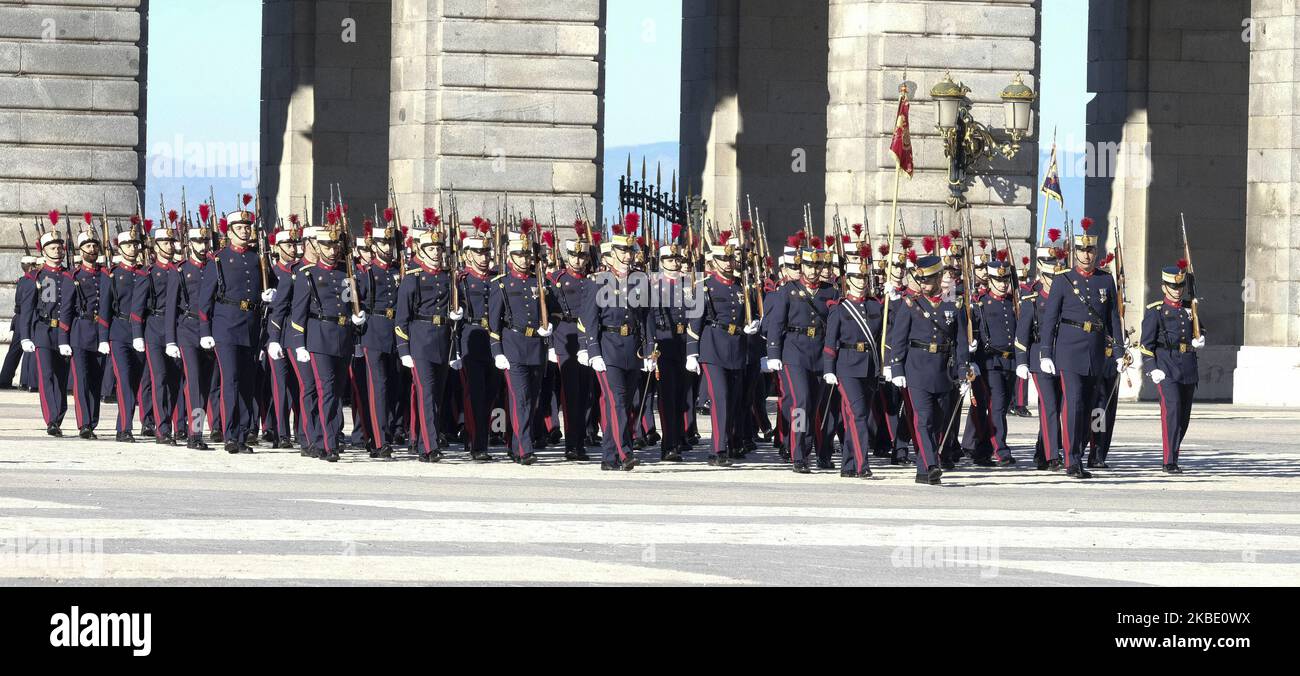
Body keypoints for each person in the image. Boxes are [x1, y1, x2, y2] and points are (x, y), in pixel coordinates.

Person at [1038, 217, 1122, 479]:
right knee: (1073, 403)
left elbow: (1113, 320)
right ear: (1075, 252)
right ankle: (1072, 461)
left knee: (1087, 407)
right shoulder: (1063, 280)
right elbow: (1050, 319)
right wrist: (1045, 352)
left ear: (1096, 252)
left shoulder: (1105, 281)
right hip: (1069, 351)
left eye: (1091, 250)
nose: (1087, 255)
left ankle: (1081, 453)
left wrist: (1119, 352)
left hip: (1095, 353)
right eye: (1082, 250)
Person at [885, 254, 973, 485]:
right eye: (920, 280)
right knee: (923, 419)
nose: (923, 285)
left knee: (939, 420)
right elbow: (899, 339)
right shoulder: (911, 304)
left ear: (937, 278)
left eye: (927, 280)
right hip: (917, 369)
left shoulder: (953, 305)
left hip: (943, 371)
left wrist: (964, 371)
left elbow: (960, 341)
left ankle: (923, 470)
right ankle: (932, 463)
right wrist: (897, 369)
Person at [288, 222, 367, 462]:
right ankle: (328, 442)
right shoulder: (307, 274)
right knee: (326, 391)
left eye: (335, 245)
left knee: (336, 390)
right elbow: (298, 312)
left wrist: (356, 318)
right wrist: (298, 343)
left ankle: (326, 440)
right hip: (318, 337)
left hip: (342, 337)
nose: (332, 250)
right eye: (327, 245)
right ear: (316, 246)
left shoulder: (346, 274)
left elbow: (349, 303)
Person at [197, 209, 273, 453]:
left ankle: (242, 434)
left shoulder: (257, 258)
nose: (245, 231)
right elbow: (204, 301)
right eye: (239, 228)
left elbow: (273, 287)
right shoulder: (218, 259)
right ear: (229, 232)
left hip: (250, 327)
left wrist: (270, 294)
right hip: (225, 326)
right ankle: (230, 434)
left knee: (247, 384)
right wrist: (205, 330)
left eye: (247, 227)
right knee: (230, 381)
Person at [582, 217, 653, 471]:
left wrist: (649, 349)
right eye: (622, 251)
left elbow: (646, 318)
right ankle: (625, 453)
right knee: (616, 402)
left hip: (632, 348)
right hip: (608, 348)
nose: (627, 255)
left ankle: (608, 456)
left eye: (630, 251)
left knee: (628, 403)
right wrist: (593, 351)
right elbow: (589, 320)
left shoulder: (639, 280)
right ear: (611, 255)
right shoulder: (597, 281)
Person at [688, 234, 761, 466]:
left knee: (733, 400)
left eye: (731, 259)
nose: (729, 263)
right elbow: (695, 321)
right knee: (720, 398)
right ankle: (717, 450)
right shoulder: (704, 286)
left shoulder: (742, 286)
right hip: (712, 348)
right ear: (715, 261)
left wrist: (754, 324)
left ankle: (729, 443)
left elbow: (752, 313)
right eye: (724, 259)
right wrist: (691, 352)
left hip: (737, 347)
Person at [765, 241, 837, 473]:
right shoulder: (788, 290)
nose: (814, 270)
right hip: (794, 353)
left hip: (819, 353)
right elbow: (776, 323)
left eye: (817, 266)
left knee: (815, 405)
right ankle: (798, 453)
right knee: (801, 402)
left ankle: (808, 449)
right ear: (801, 266)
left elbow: (835, 326)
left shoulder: (830, 292)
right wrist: (773, 352)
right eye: (808, 265)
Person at [488, 224, 557, 465]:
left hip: (536, 347)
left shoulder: (540, 283)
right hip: (513, 346)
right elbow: (493, 323)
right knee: (521, 398)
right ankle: (525, 448)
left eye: (527, 255)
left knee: (533, 399)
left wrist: (549, 328)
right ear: (509, 257)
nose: (524, 259)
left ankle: (517, 444)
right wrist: (497, 351)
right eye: (519, 255)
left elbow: (554, 313)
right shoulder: (502, 284)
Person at [396, 220, 461, 462]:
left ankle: (424, 440)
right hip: (420, 341)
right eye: (432, 249)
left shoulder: (447, 278)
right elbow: (402, 318)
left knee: (437, 395)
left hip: (443, 341)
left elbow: (455, 308)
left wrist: (456, 314)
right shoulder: (413, 278)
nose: (436, 253)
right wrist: (403, 349)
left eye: (439, 249)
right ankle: (430, 446)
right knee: (426, 394)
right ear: (421, 252)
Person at [1140, 260, 1205, 474]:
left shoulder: (1189, 308)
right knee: (1172, 411)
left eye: (1180, 287)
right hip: (1166, 366)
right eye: (1173, 287)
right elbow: (1145, 345)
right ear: (1163, 287)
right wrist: (1152, 367)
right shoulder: (1156, 311)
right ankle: (1169, 460)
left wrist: (1200, 338)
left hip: (1188, 366)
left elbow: (1199, 329)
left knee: (1183, 417)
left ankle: (1174, 453)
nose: (1177, 291)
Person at [822, 255, 884, 478]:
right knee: (859, 415)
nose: (862, 280)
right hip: (846, 367)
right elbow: (830, 342)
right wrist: (829, 368)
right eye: (857, 276)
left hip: (870, 367)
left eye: (864, 276)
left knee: (856, 416)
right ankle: (861, 464)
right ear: (849, 279)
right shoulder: (840, 308)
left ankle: (848, 465)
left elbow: (882, 337)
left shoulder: (875, 306)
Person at [166, 219, 218, 450]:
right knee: (194, 383)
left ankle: (194, 426)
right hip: (187, 330)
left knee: (205, 385)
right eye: (198, 240)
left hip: (210, 330)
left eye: (205, 240)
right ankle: (194, 434)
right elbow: (171, 308)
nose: (203, 244)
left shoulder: (214, 267)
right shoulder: (181, 271)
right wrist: (170, 339)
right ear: (189, 243)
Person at [19, 225, 74, 436]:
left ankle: (58, 415)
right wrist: (25, 337)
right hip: (43, 331)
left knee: (61, 377)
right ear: (43, 251)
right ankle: (52, 419)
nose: (57, 251)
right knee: (47, 376)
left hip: (64, 333)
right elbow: (27, 310)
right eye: (52, 248)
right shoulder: (37, 277)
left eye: (59, 247)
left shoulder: (70, 276)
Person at [132, 224, 182, 445]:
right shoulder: (148, 273)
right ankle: (162, 429)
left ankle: (179, 425)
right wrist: (137, 335)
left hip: (178, 329)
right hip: (155, 328)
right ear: (156, 246)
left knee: (175, 381)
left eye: (172, 242)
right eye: (165, 242)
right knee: (159, 379)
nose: (169, 246)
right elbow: (137, 308)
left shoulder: (180, 270)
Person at [62, 230, 106, 439]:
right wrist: (64, 339)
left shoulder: (105, 274)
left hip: (100, 334)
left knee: (96, 381)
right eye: (88, 246)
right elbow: (66, 309)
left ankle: (93, 421)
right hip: (80, 333)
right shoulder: (74, 277)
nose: (92, 249)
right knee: (82, 380)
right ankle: (84, 423)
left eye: (95, 245)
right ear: (81, 250)